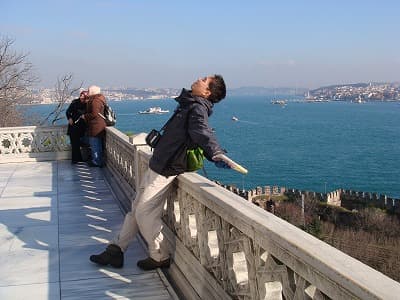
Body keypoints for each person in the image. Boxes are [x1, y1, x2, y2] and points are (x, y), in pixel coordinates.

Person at [89, 74, 230, 270]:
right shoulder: (189, 103)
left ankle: (160, 255)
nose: (199, 78)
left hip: (166, 168)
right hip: (158, 163)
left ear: (207, 92)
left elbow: (202, 132)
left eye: (204, 79)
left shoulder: (197, 108)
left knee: (143, 213)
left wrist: (216, 153)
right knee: (136, 209)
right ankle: (116, 250)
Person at [82, 85, 107, 167]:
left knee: (95, 144)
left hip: (95, 126)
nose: (87, 93)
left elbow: (94, 114)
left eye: (88, 91)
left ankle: (96, 161)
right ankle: (97, 160)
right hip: (98, 125)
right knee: (97, 144)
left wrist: (85, 116)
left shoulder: (95, 101)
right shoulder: (99, 99)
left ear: (92, 92)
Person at [66, 90, 88, 164]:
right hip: (74, 126)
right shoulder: (75, 102)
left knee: (84, 144)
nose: (81, 95)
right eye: (81, 94)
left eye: (83, 95)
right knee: (75, 144)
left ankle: (82, 159)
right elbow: (68, 111)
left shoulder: (88, 104)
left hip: (83, 127)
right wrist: (69, 118)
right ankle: (76, 160)